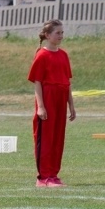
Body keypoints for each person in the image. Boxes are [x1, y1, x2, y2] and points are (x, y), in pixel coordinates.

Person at [28, 19, 76, 188]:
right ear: (48, 35)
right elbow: (37, 82)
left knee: (57, 138)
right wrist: (40, 106)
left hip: (60, 100)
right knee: (46, 139)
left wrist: (71, 105)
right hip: (47, 99)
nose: (61, 36)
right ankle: (43, 177)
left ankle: (53, 174)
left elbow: (67, 82)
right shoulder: (42, 55)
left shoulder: (63, 55)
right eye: (57, 33)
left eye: (62, 33)